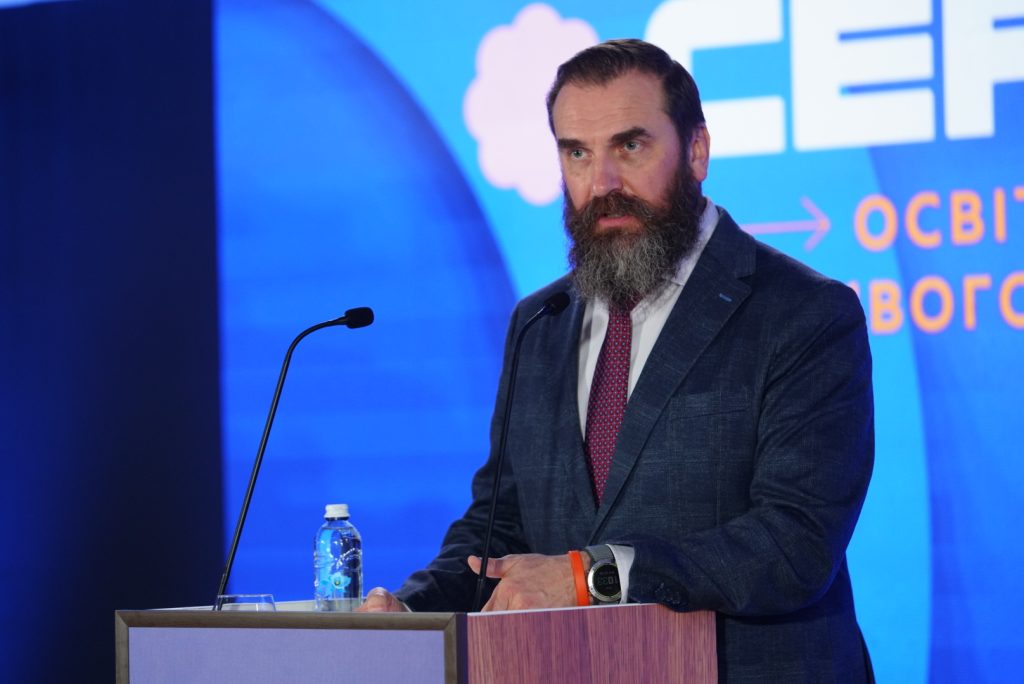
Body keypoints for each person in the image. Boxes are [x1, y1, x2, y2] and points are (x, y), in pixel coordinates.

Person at [359, 39, 874, 681]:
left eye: (630, 146)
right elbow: (500, 527)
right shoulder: (539, 323)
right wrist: (412, 611)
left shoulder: (804, 313)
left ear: (696, 150)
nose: (601, 184)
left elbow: (794, 544)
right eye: (577, 153)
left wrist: (590, 576)